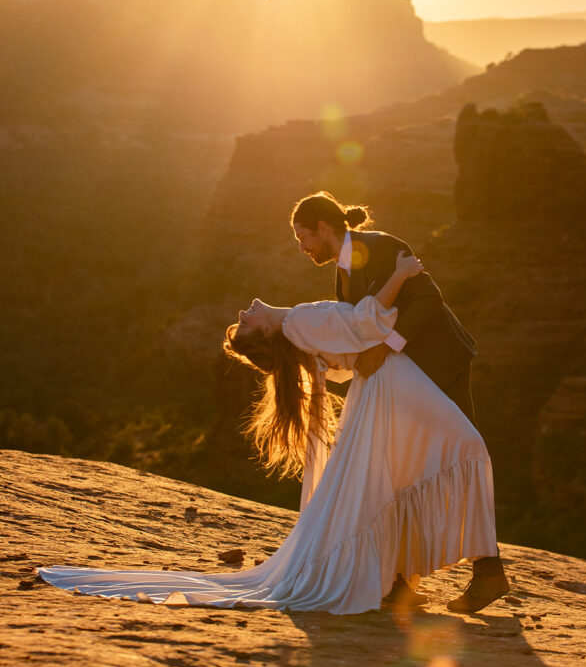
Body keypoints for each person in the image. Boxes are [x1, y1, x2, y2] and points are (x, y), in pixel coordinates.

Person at [38, 254, 502, 615]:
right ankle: (457, 571)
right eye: (245, 322)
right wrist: (401, 274)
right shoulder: (297, 322)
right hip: (394, 382)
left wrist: (362, 358)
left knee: (402, 473)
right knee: (467, 447)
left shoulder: (299, 334)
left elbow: (342, 361)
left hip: (382, 387)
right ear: (263, 333)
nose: (245, 310)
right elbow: (365, 321)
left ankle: (401, 580)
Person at [290, 190, 509, 613]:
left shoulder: (384, 246)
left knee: (458, 456)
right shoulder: (341, 271)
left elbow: (430, 300)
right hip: (404, 379)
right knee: (399, 467)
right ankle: (399, 582)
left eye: (304, 238)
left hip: (439, 365)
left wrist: (386, 347)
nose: (303, 249)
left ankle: (489, 572)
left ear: (323, 227)